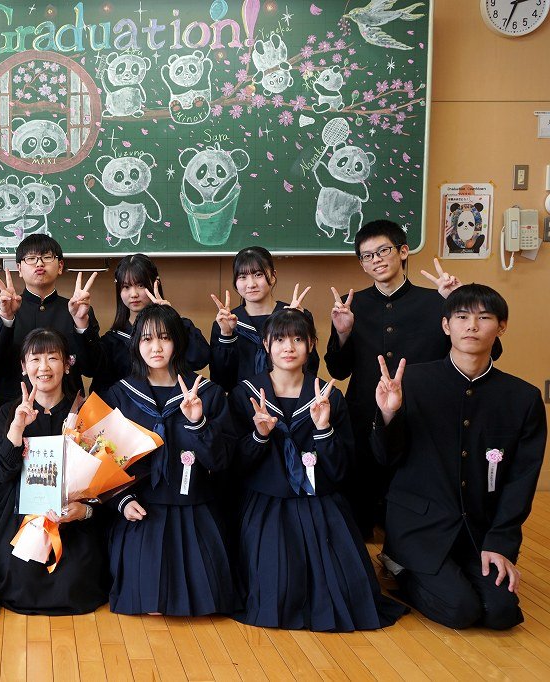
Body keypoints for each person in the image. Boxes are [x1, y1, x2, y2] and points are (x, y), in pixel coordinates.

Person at [372, 284, 546, 630]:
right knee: (461, 610)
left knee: (502, 613)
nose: (472, 326)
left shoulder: (523, 398)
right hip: (419, 528)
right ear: (445, 325)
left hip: (478, 530)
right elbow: (385, 457)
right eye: (462, 317)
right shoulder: (411, 382)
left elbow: (520, 481)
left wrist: (500, 544)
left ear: (501, 327)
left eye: (484, 318)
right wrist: (388, 415)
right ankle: (398, 565)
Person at [229, 309, 406, 631]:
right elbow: (234, 464)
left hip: (319, 498)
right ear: (266, 344)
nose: (289, 347)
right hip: (265, 499)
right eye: (280, 339)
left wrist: (324, 430)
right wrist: (260, 436)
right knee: (276, 587)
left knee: (342, 588)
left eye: (298, 339)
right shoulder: (245, 393)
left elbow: (342, 469)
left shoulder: (329, 396)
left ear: (311, 345)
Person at [324, 219, 501, 538]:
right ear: (362, 264)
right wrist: (343, 332)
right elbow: (338, 371)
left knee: (413, 500)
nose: (376, 260)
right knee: (361, 506)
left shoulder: (439, 301)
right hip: (365, 414)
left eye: (383, 251)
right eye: (367, 256)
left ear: (403, 251)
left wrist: (459, 302)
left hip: (424, 415)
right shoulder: (351, 307)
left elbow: (490, 351)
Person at [104, 304, 236, 616]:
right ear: (136, 344)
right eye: (147, 339)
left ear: (178, 341)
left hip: (195, 505)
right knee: (149, 601)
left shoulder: (207, 393)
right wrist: (122, 500)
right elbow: (103, 460)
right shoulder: (120, 395)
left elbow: (222, 461)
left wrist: (198, 423)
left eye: (164, 338)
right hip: (142, 507)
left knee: (206, 600)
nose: (156, 347)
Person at [0, 329, 110, 615]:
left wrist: (84, 511)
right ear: (23, 366)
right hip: (22, 518)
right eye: (35, 359)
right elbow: (0, 473)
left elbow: (104, 480)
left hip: (73, 519)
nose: (44, 367)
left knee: (77, 579)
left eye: (53, 358)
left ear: (67, 364)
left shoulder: (85, 413)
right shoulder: (9, 412)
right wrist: (17, 428)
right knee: (20, 574)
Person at [0, 234, 104, 413]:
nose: (39, 264)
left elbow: (92, 369)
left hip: (68, 412)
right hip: (14, 411)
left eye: (47, 257)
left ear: (60, 266)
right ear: (19, 268)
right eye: (31, 258)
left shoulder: (78, 310)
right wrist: (6, 319)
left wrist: (81, 323)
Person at [90, 253, 210, 396]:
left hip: (175, 404)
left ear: (155, 283)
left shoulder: (179, 327)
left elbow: (200, 359)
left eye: (140, 285)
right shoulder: (113, 341)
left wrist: (172, 319)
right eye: (126, 287)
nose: (133, 294)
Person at [209, 246, 320, 393]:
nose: (251, 284)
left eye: (258, 274)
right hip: (240, 402)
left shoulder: (295, 315)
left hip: (287, 399)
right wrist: (226, 335)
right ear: (235, 281)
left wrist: (296, 324)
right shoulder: (225, 322)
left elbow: (311, 369)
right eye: (242, 277)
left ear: (273, 276)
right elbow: (220, 381)